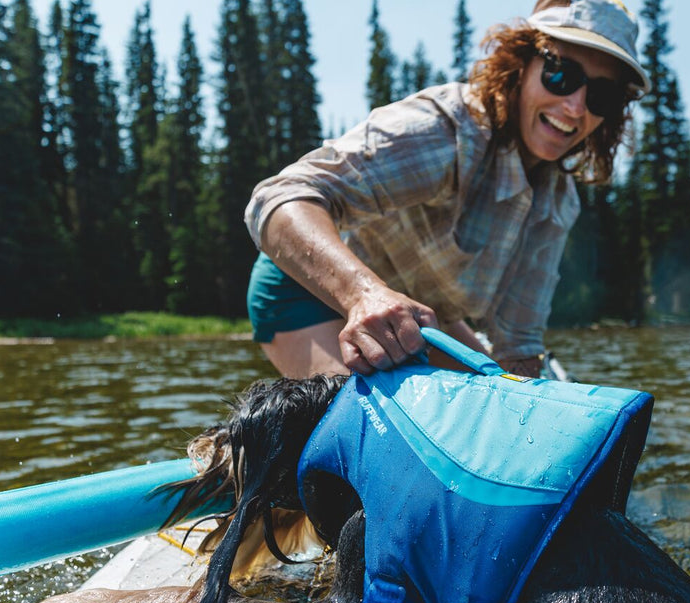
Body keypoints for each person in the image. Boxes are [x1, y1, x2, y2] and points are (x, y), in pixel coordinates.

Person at [244, 0, 650, 379]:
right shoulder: (447, 131)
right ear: (521, 64)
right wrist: (362, 294)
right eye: (561, 74)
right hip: (302, 291)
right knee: (383, 434)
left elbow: (518, 344)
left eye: (602, 95)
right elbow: (281, 196)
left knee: (496, 391)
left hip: (421, 318)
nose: (576, 107)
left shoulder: (557, 204)